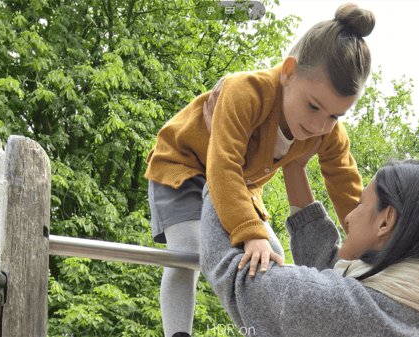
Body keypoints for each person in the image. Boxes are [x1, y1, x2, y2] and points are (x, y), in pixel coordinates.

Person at [145, 3, 374, 336]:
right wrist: (250, 233)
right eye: (313, 106)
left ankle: (260, 330)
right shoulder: (246, 92)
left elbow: (349, 195)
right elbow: (222, 165)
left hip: (241, 184)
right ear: (288, 72)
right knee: (188, 249)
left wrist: (374, 257)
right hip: (185, 164)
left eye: (334, 116)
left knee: (273, 256)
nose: (318, 124)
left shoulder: (328, 133)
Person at [200, 159, 419, 336]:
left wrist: (221, 167)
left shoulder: (345, 310)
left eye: (360, 204)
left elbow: (232, 273)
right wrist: (293, 167)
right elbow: (336, 273)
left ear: (385, 222)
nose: (348, 217)